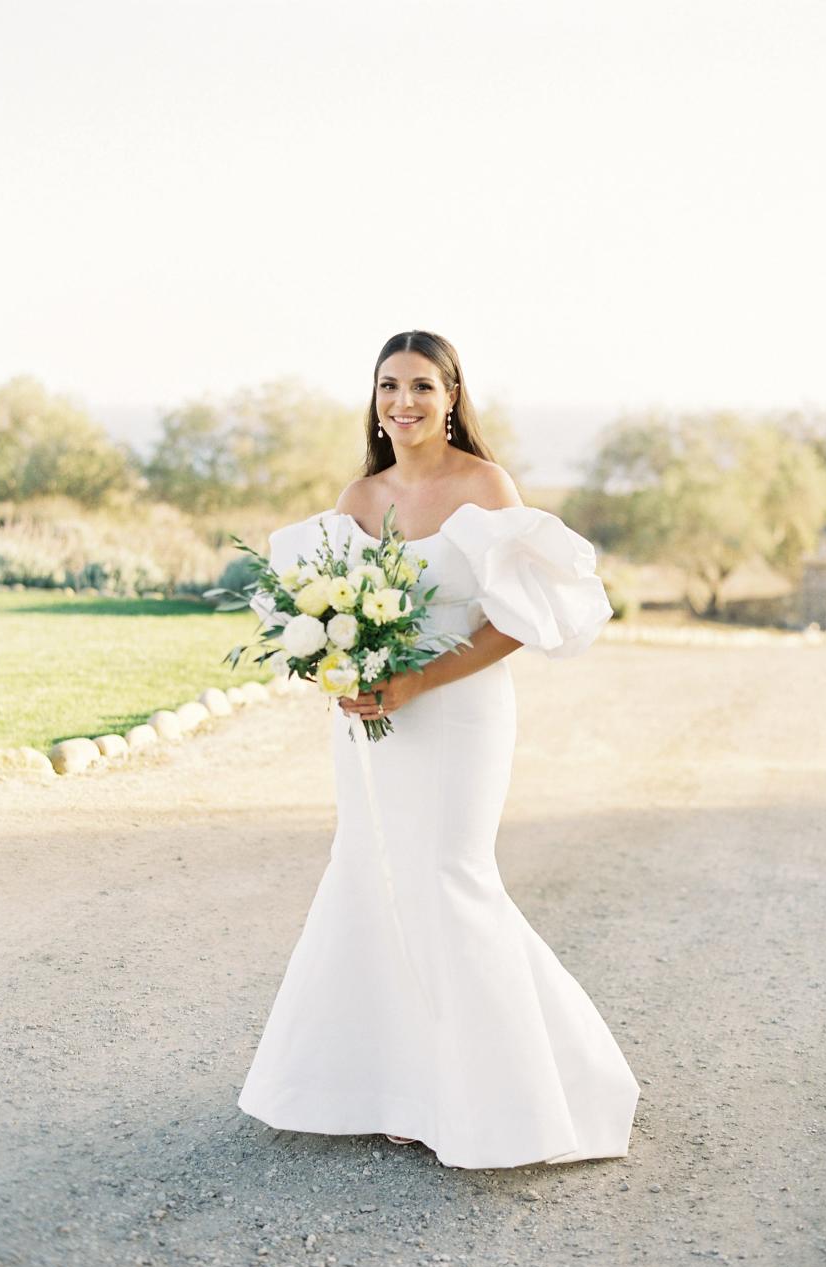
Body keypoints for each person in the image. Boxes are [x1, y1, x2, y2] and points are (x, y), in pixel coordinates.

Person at [238, 330, 640, 1169]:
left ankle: (516, 1093)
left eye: (423, 386)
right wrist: (337, 666)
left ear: (453, 395)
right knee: (375, 874)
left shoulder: (484, 485)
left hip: (459, 715)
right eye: (390, 386)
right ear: (374, 397)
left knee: (451, 878)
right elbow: (323, 603)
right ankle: (398, 1089)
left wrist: (420, 680)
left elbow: (516, 624)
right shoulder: (361, 494)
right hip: (371, 725)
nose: (404, 403)